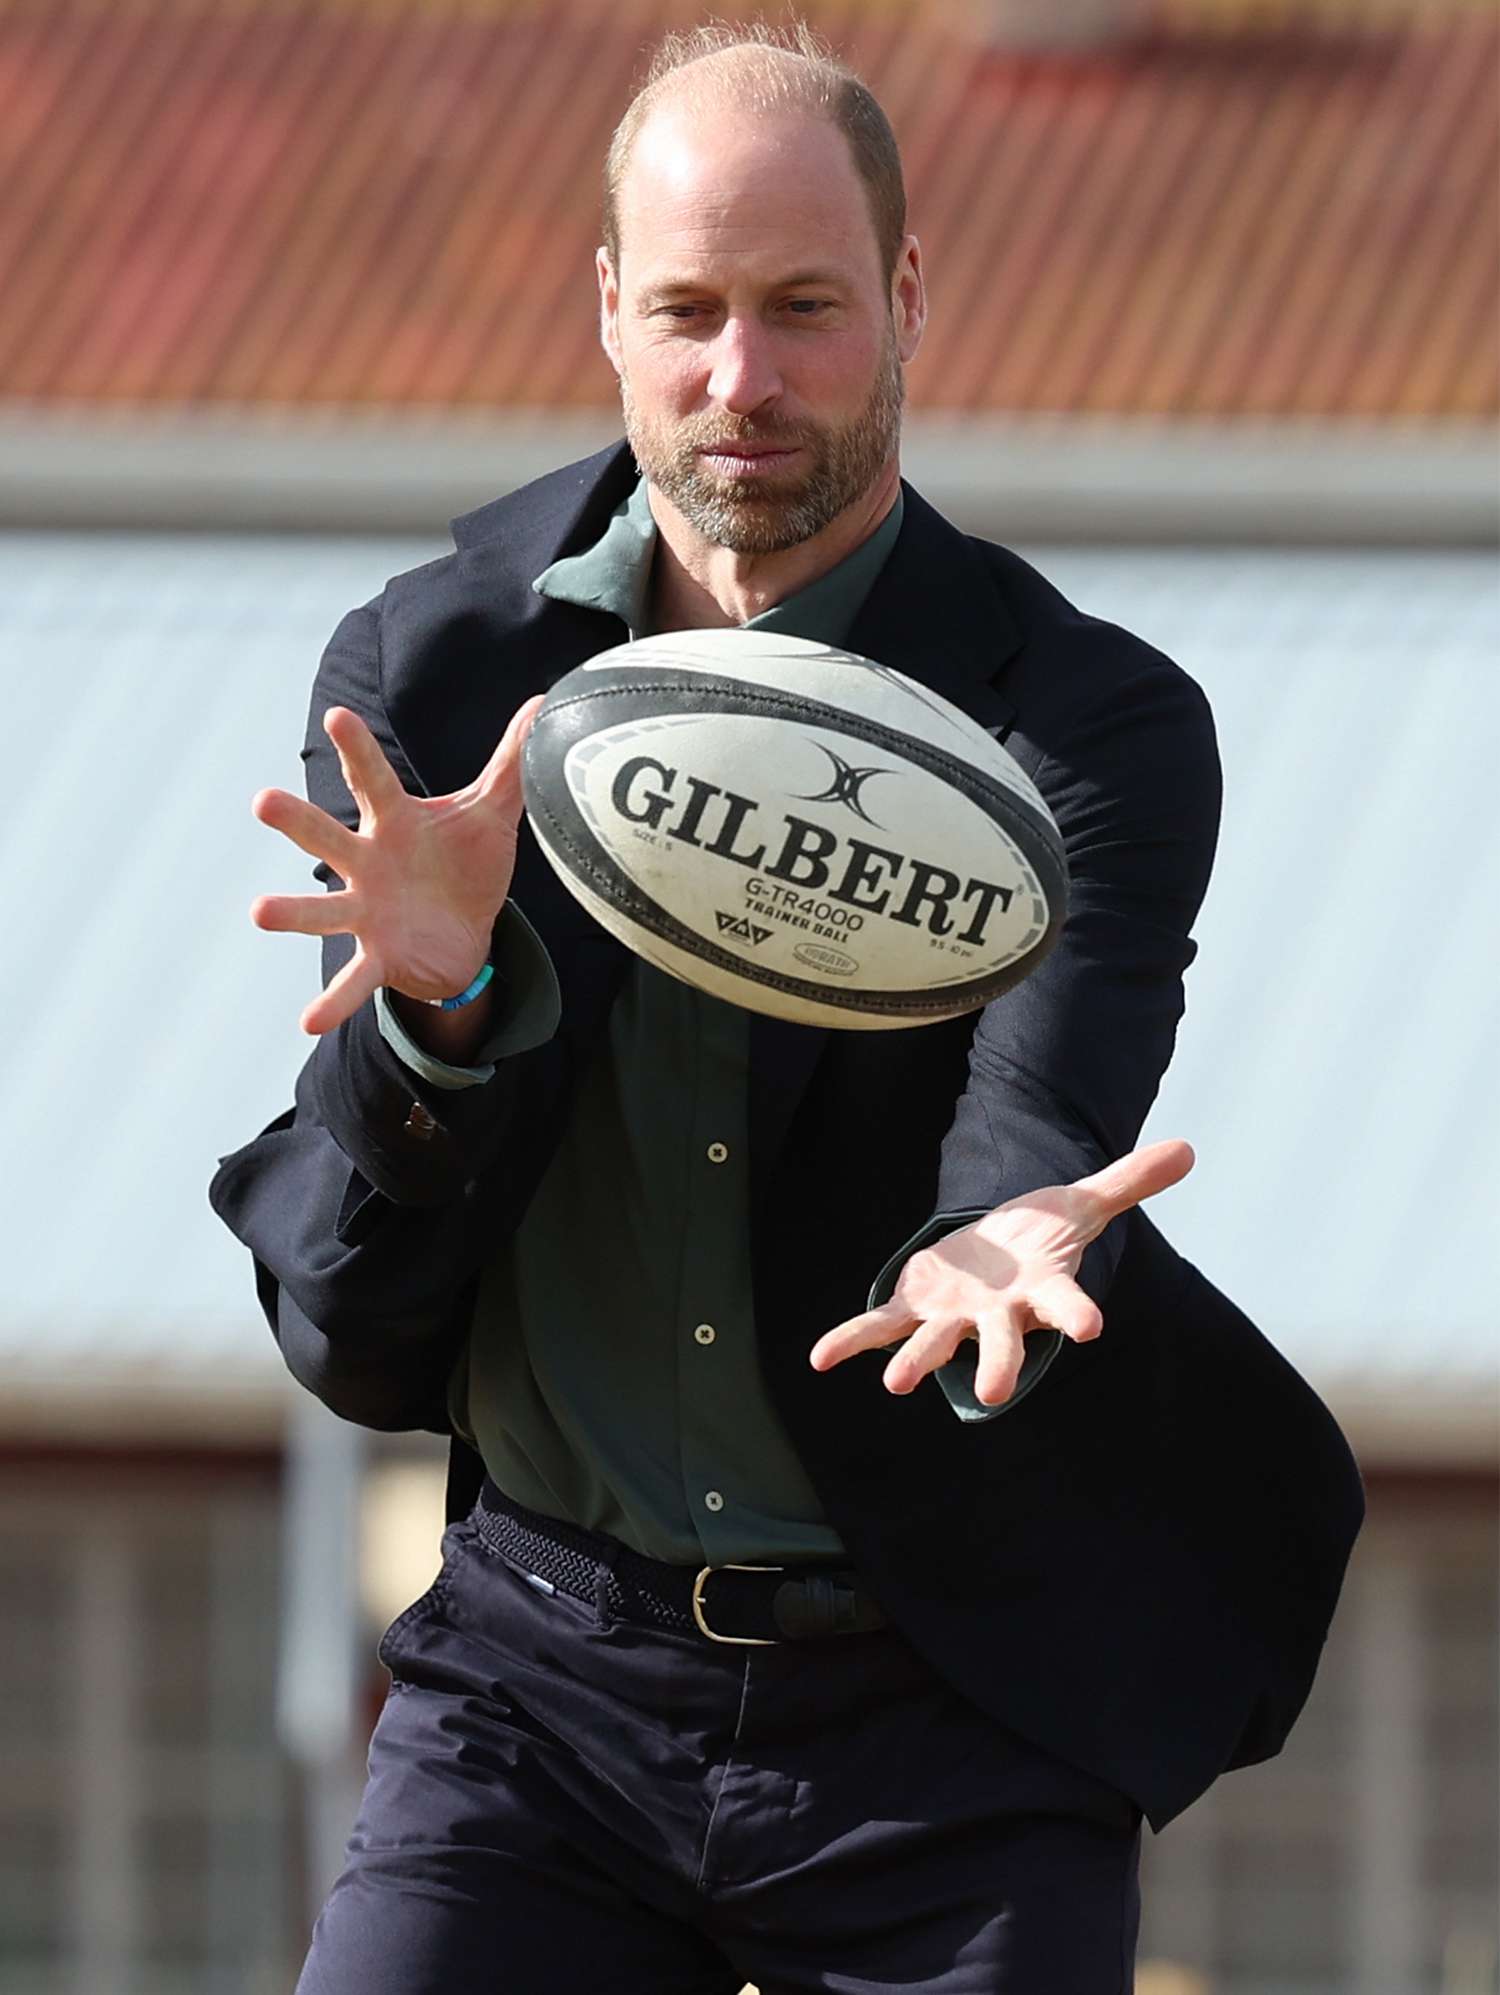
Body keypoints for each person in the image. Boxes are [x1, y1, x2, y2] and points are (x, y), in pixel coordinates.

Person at [210, 23, 1364, 1993]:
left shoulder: (1083, 720)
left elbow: (1047, 1072)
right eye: (689, 311)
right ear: (605, 310)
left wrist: (998, 1221)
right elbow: (342, 1308)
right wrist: (439, 1004)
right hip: (539, 1683)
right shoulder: (439, 669)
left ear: (908, 298)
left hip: (949, 1699)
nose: (742, 380)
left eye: (806, 308)